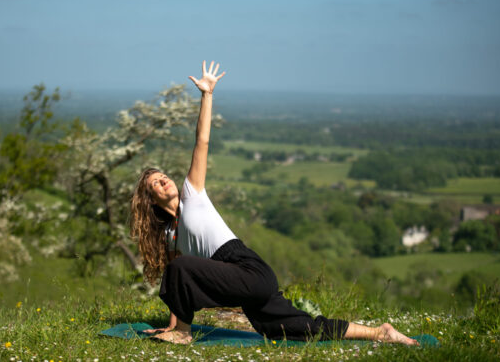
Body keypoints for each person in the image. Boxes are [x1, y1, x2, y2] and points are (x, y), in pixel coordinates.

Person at [130, 61, 418, 346]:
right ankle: (381, 332)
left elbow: (201, 141)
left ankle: (184, 334)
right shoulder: (170, 236)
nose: (163, 180)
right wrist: (168, 325)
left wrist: (207, 95)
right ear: (151, 200)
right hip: (234, 279)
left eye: (163, 175)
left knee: (181, 268)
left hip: (246, 267)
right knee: (291, 328)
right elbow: (180, 287)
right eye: (154, 182)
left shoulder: (192, 194)